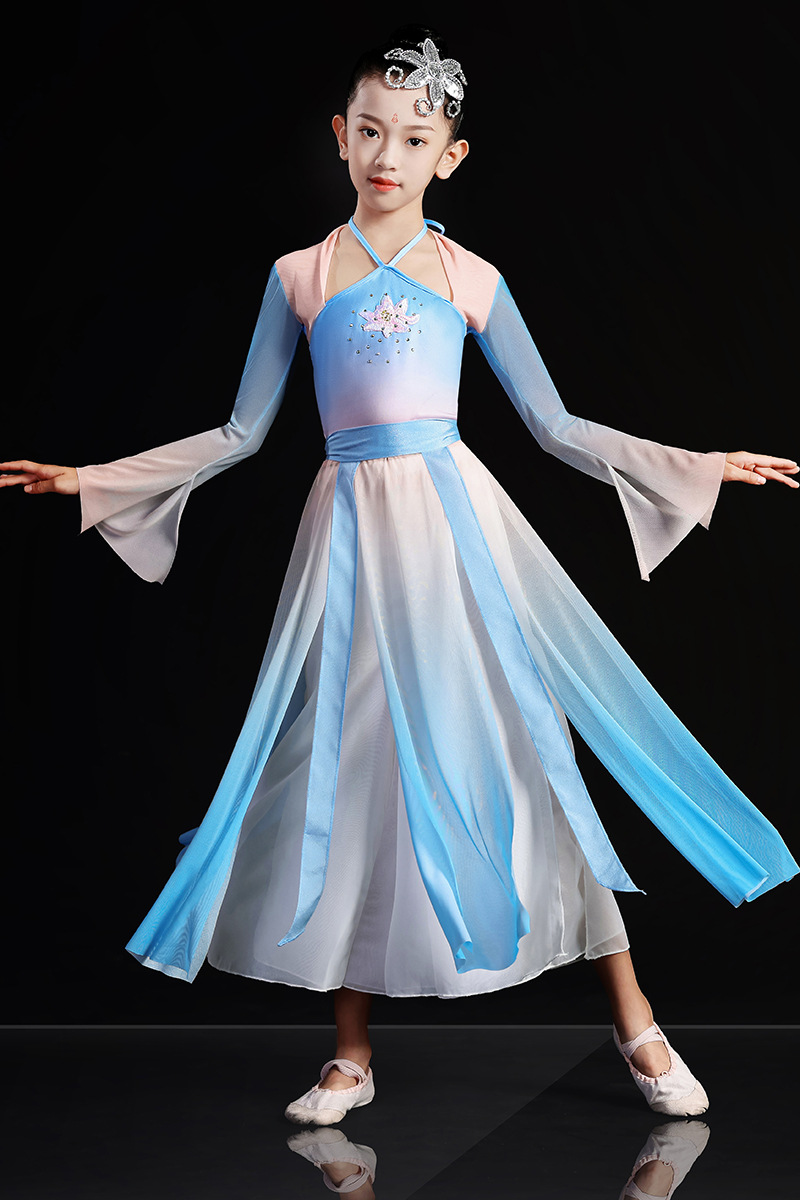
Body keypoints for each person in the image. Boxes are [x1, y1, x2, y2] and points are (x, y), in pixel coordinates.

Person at [2, 25, 797, 1137]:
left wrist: (696, 466)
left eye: (414, 138)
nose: (388, 154)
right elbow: (239, 432)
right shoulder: (300, 275)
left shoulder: (469, 278)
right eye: (370, 131)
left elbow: (557, 426)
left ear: (449, 157)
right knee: (350, 761)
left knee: (527, 753)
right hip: (348, 538)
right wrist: (96, 480)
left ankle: (637, 1023)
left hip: (456, 531)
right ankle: (350, 1051)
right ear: (339, 136)